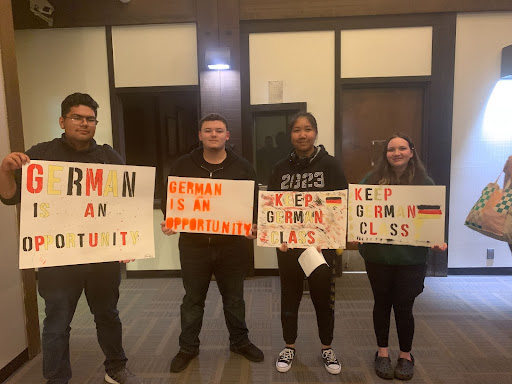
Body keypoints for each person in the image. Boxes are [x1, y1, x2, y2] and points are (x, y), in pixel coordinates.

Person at [0, 93, 142, 384]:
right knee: (57, 322)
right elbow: (9, 197)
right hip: (58, 258)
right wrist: (5, 169)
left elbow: (125, 202)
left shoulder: (108, 156)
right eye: (77, 117)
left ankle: (116, 367)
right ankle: (56, 378)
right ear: (62, 121)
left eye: (90, 119)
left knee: (108, 316)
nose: (84, 123)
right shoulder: (41, 154)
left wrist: (128, 242)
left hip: (101, 257)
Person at [160, 113, 263, 373]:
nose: (214, 134)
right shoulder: (183, 166)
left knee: (235, 299)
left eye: (219, 130)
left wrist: (253, 224)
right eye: (208, 130)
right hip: (194, 246)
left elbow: (254, 203)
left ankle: (240, 341)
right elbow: (169, 199)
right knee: (193, 300)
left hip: (232, 247)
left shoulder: (243, 167)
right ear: (200, 135)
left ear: (227, 136)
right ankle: (188, 347)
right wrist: (170, 220)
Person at [357, 133, 447, 381]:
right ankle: (382, 353)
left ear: (411, 152)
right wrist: (356, 229)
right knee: (382, 304)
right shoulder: (371, 180)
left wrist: (436, 239)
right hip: (378, 256)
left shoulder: (424, 183)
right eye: (391, 149)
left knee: (405, 308)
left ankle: (406, 355)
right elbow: (359, 211)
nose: (396, 153)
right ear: (385, 154)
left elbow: (431, 217)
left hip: (411, 258)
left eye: (402, 148)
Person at [267, 112, 348, 375]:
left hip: (320, 248)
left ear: (315, 132)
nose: (302, 135)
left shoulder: (331, 165)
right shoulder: (280, 168)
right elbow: (271, 206)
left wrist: (330, 239)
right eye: (297, 130)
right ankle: (288, 346)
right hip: (288, 247)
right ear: (290, 135)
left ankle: (327, 348)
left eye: (308, 129)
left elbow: (341, 206)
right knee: (289, 298)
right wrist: (276, 235)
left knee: (323, 299)